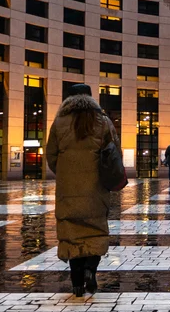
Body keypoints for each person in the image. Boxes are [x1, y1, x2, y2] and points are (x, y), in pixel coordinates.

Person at [47, 84, 118, 297]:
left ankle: (77, 282)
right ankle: (90, 270)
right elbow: (114, 150)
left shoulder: (59, 122)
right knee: (95, 230)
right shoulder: (102, 122)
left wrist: (65, 172)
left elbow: (51, 155)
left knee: (72, 232)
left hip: (68, 189)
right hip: (95, 187)